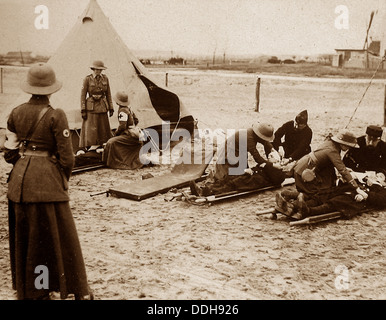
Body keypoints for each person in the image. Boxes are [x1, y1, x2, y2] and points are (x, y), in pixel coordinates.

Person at [2, 63, 92, 300]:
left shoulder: (15, 112)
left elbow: (9, 153)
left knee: (29, 240)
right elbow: (67, 157)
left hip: (19, 185)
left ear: (29, 88)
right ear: (51, 89)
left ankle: (33, 290)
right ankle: (54, 287)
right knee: (54, 239)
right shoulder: (56, 115)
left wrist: (24, 162)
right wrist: (62, 179)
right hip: (48, 186)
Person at [279, 129, 361, 217]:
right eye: (348, 146)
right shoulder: (332, 150)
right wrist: (356, 188)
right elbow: (343, 171)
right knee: (319, 195)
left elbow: (336, 165)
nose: (349, 148)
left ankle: (290, 194)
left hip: (302, 168)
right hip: (305, 173)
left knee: (317, 192)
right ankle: (294, 204)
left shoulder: (329, 142)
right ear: (342, 143)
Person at [278, 170, 386, 220]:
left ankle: (308, 211)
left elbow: (382, 200)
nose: (376, 177)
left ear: (384, 182)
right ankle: (296, 203)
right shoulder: (363, 179)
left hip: (353, 199)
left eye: (380, 177)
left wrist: (366, 195)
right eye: (376, 175)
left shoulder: (379, 188)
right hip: (344, 190)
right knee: (324, 194)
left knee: (335, 202)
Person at [102, 91, 145, 169]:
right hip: (134, 133)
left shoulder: (122, 110)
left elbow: (122, 126)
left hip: (130, 135)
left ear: (118, 102)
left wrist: (116, 133)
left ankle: (114, 163)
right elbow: (136, 120)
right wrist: (132, 127)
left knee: (111, 142)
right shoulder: (129, 109)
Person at [79, 60, 114, 152]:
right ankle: (91, 148)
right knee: (91, 129)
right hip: (91, 107)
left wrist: (111, 107)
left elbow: (108, 94)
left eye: (100, 70)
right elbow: (83, 95)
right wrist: (83, 109)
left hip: (102, 106)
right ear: (93, 69)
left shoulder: (105, 78)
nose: (98, 71)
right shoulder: (87, 79)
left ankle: (102, 146)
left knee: (103, 128)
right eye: (96, 69)